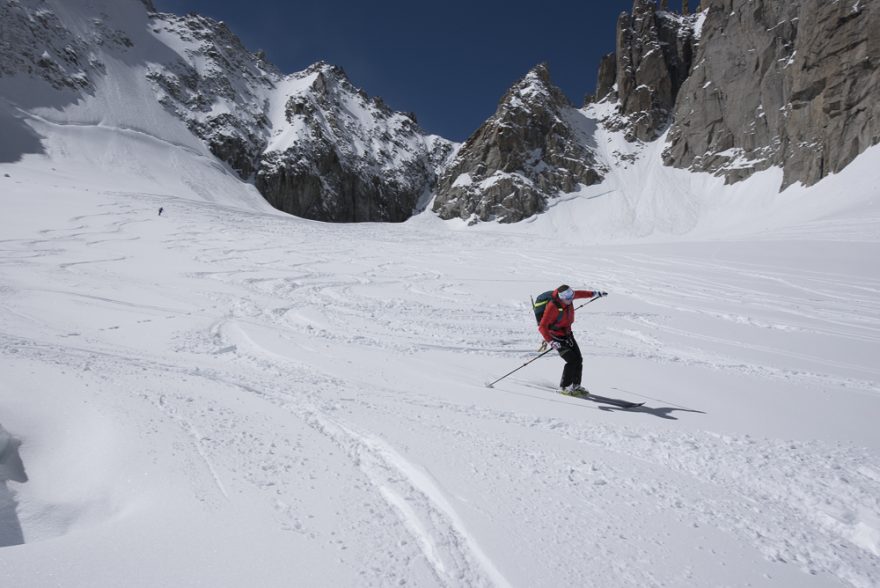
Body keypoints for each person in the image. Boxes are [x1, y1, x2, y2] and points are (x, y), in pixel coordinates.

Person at [537, 284, 607, 396]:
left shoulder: (568, 296)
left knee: (578, 359)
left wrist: (595, 294)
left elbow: (580, 294)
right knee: (571, 360)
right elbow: (542, 326)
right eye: (568, 298)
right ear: (561, 297)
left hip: (568, 334)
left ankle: (576, 386)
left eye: (571, 297)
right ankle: (564, 387)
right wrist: (551, 341)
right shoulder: (552, 306)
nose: (570, 300)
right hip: (556, 337)